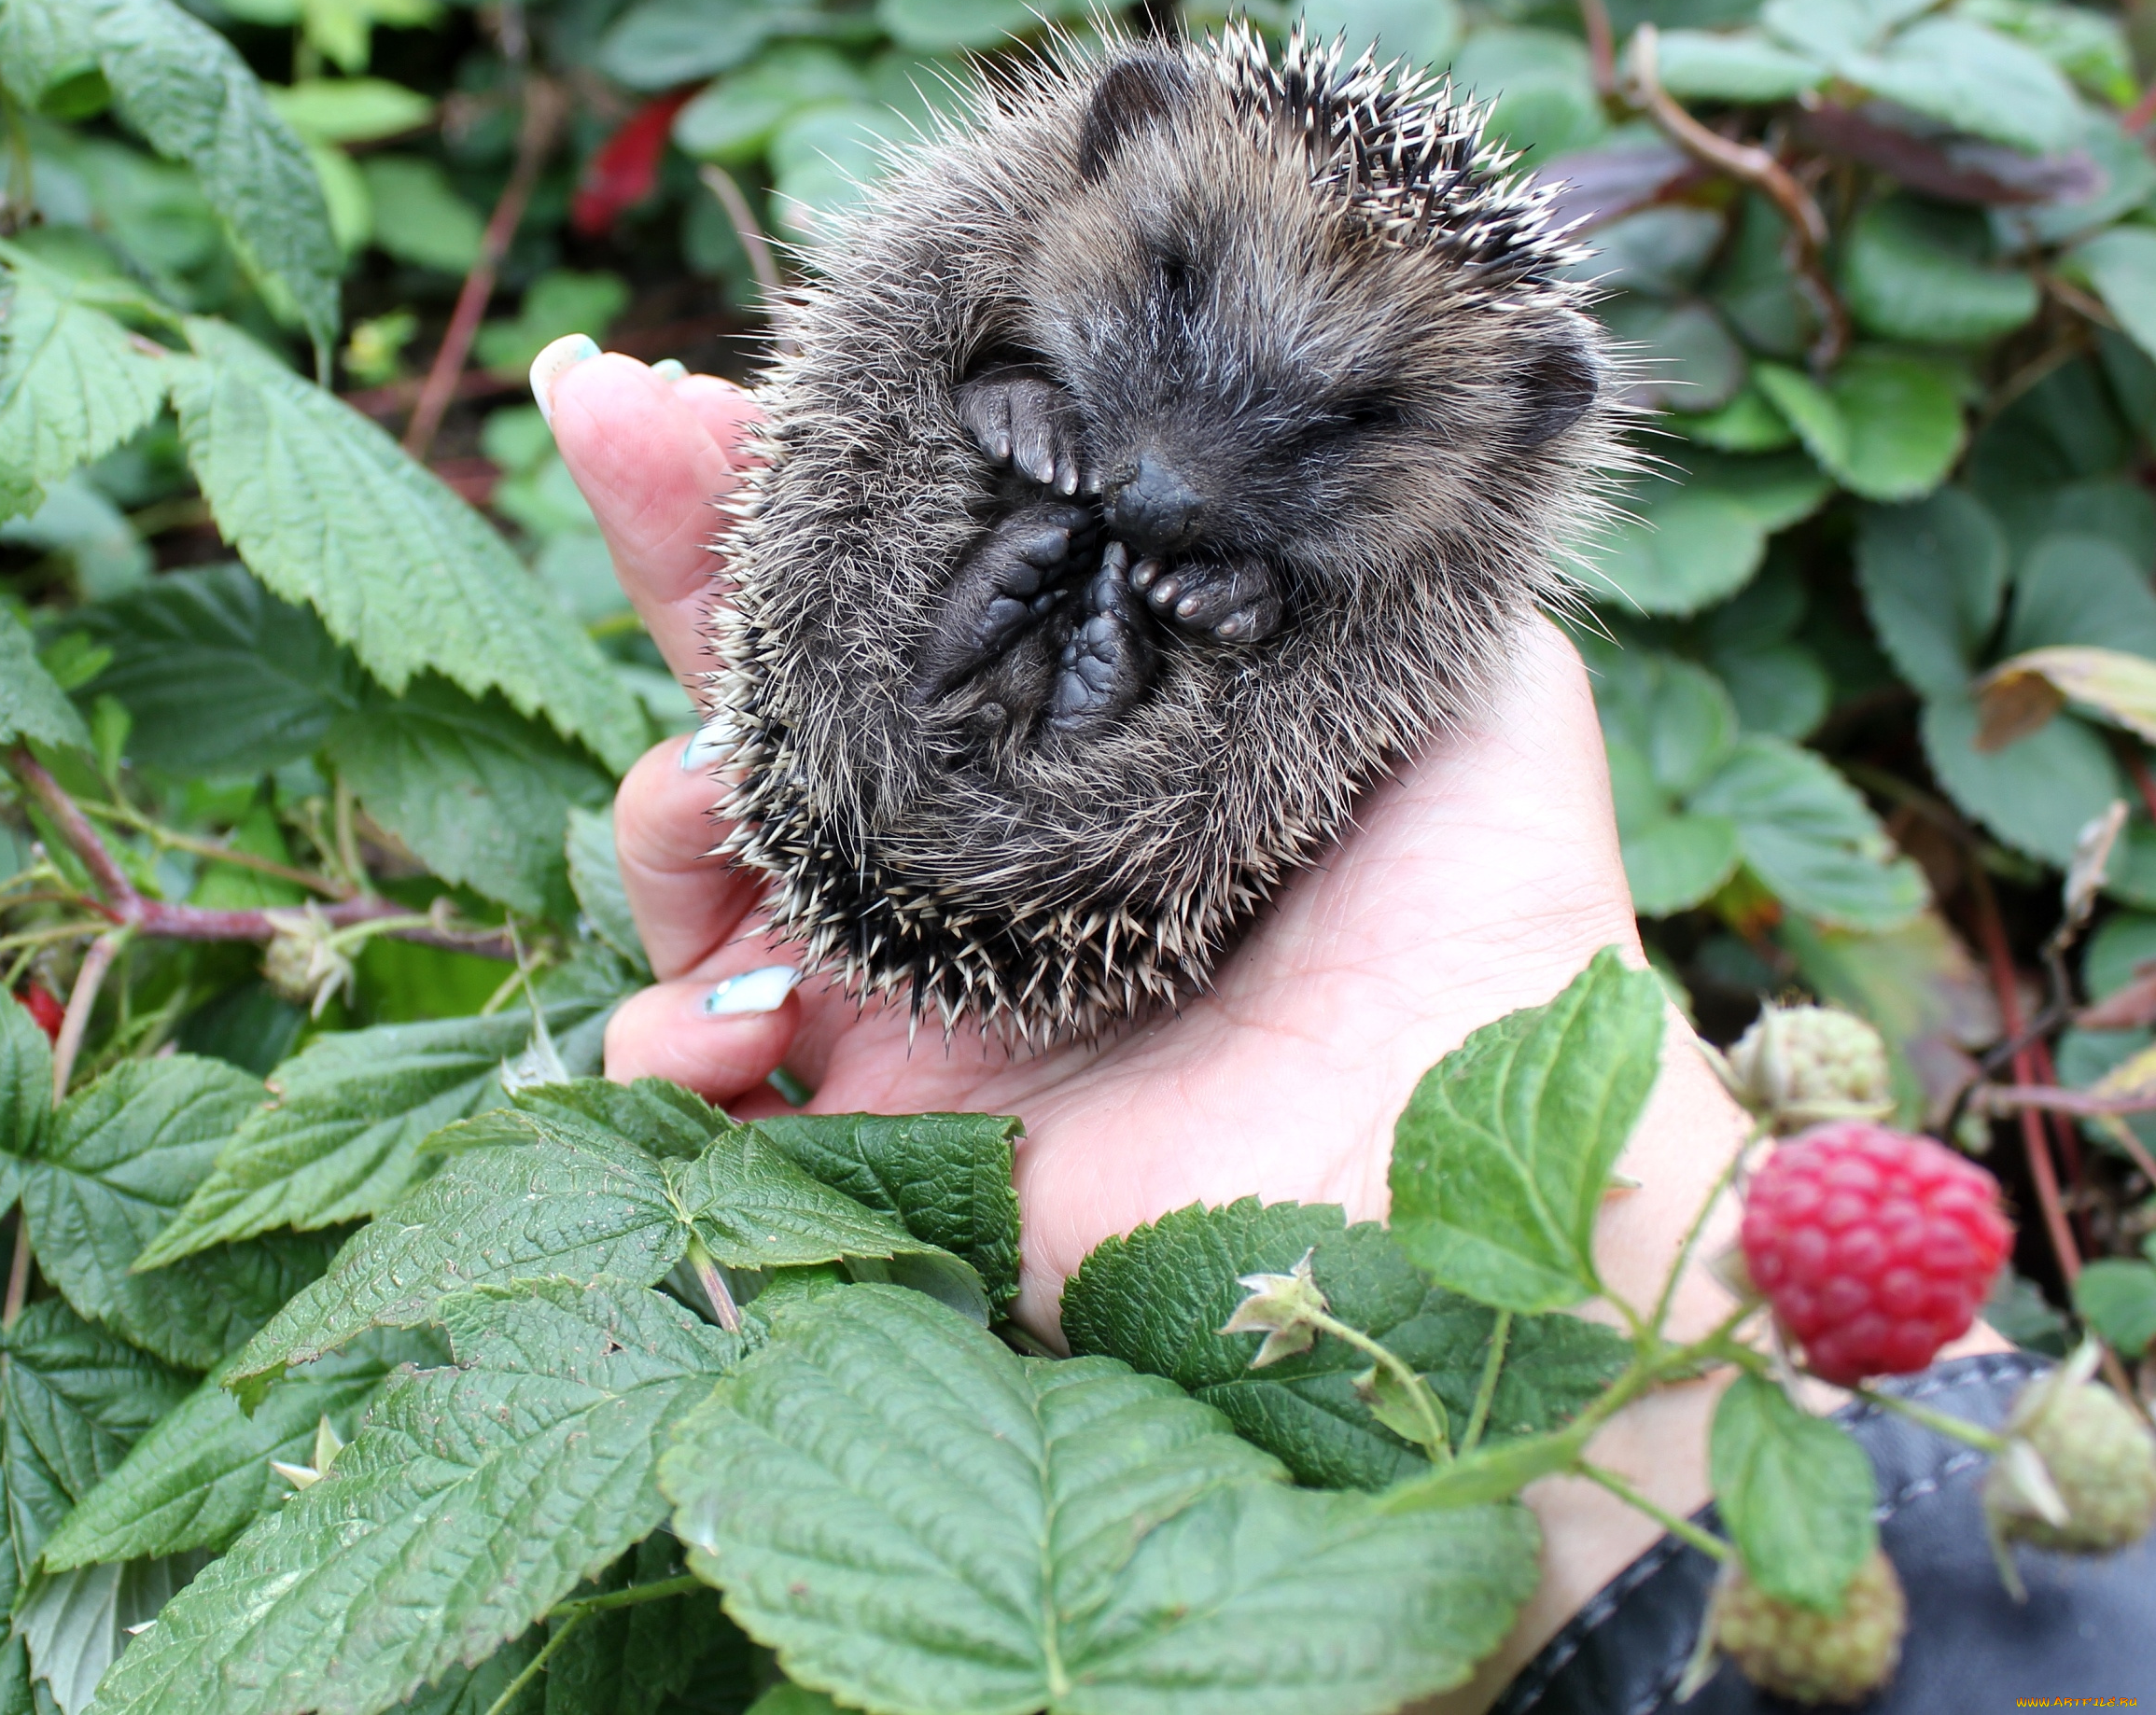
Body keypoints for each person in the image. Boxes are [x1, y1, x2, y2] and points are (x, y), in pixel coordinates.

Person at [532, 335, 2142, 1710]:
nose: (1170, 472)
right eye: (1163, 297)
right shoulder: (1013, 299)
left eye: (1347, 421)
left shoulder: (1424, 558)